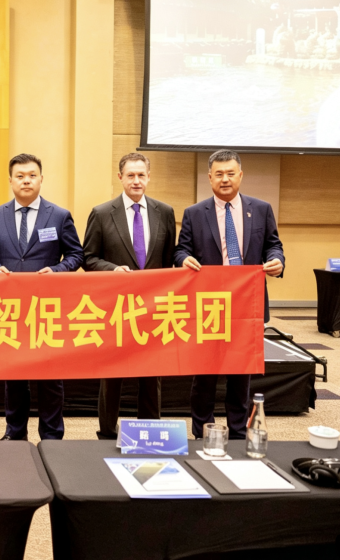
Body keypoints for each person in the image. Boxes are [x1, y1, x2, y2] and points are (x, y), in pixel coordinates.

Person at [174, 149, 285, 440]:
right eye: (219, 174)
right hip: (208, 304)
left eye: (230, 173)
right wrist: (183, 259)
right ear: (209, 178)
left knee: (241, 373)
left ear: (241, 175)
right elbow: (181, 249)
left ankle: (237, 433)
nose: (225, 179)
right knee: (205, 373)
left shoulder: (261, 209)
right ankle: (202, 431)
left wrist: (277, 260)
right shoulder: (194, 213)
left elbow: (273, 245)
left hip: (247, 304)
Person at [0, 153, 83, 441]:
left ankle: (52, 435)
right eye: (20, 176)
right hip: (10, 308)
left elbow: (76, 254)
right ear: (10, 180)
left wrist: (57, 269)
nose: (26, 181)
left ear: (41, 179)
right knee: (14, 376)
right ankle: (14, 433)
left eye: (31, 175)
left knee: (50, 376)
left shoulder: (59, 215)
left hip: (47, 307)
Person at [82, 153, 177, 440]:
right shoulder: (102, 213)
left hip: (154, 306)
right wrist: (112, 269)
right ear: (120, 177)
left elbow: (169, 261)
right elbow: (89, 258)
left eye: (141, 175)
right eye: (130, 175)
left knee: (152, 373)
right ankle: (107, 432)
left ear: (149, 177)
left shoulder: (165, 212)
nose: (136, 180)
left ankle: (150, 431)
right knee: (112, 374)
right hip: (115, 306)